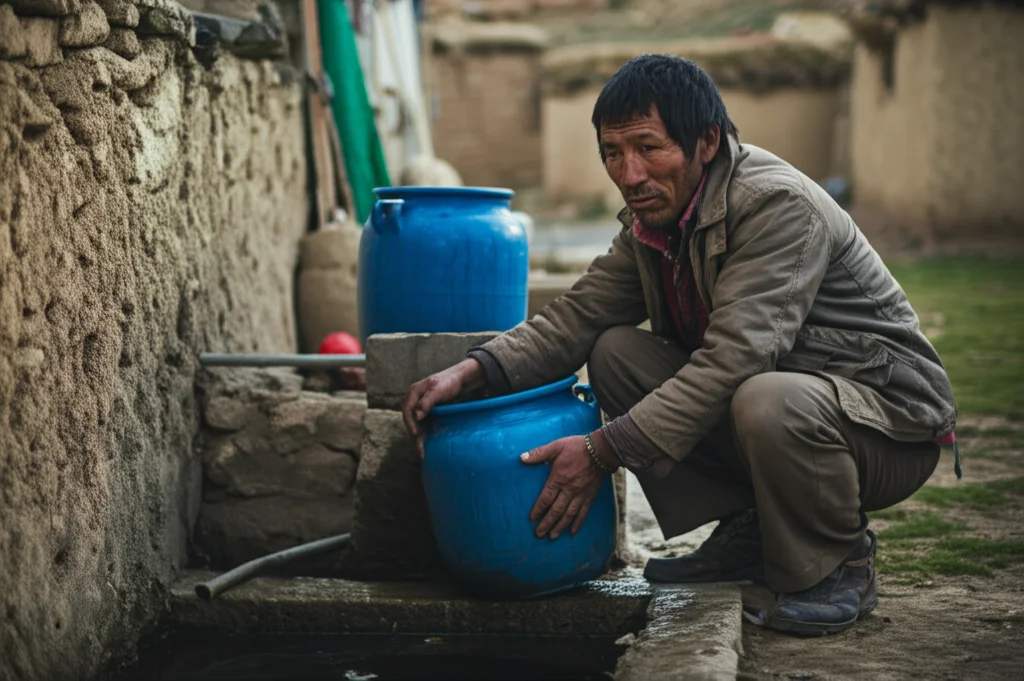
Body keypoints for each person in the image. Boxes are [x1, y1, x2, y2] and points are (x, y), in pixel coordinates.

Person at [401, 54, 957, 637]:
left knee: (767, 397)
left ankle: (841, 560)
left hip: (887, 425)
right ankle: (752, 529)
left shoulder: (775, 204)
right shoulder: (656, 219)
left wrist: (599, 450)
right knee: (615, 351)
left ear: (707, 141)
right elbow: (578, 316)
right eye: (612, 153)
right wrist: (470, 372)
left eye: (648, 147)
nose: (630, 172)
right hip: (787, 406)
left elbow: (738, 358)